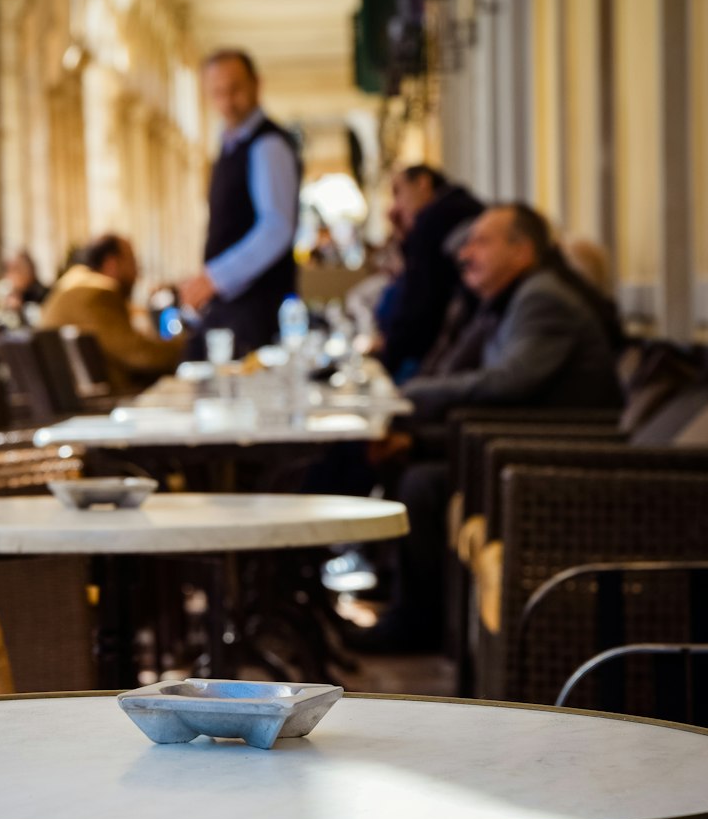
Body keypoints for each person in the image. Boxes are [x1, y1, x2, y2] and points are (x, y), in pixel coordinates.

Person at [348, 204, 623, 654]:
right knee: (406, 458)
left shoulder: (542, 298)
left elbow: (507, 385)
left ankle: (419, 622)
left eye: (481, 241)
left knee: (421, 482)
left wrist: (409, 396)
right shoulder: (511, 298)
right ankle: (408, 604)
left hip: (561, 463)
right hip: (520, 443)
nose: (465, 253)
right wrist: (416, 434)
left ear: (522, 250)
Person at [179, 49, 300, 357]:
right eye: (218, 93)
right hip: (231, 306)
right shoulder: (230, 143)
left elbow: (276, 227)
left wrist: (215, 277)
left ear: (256, 85)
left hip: (254, 309)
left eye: (235, 89)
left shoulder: (268, 145)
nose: (227, 101)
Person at [40, 233, 183, 397]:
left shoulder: (72, 284)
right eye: (133, 263)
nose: (138, 274)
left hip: (76, 398)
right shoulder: (98, 292)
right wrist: (186, 345)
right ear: (111, 264)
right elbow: (138, 354)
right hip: (99, 403)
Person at [377, 165, 482, 381]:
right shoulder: (460, 206)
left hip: (443, 352)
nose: (396, 205)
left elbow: (418, 300)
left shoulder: (435, 217)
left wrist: (388, 361)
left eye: (399, 192)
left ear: (423, 183)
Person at [0, 250, 48, 327]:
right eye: (9, 269)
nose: (9, 275)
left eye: (17, 269)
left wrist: (21, 310)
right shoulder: (3, 291)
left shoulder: (43, 293)